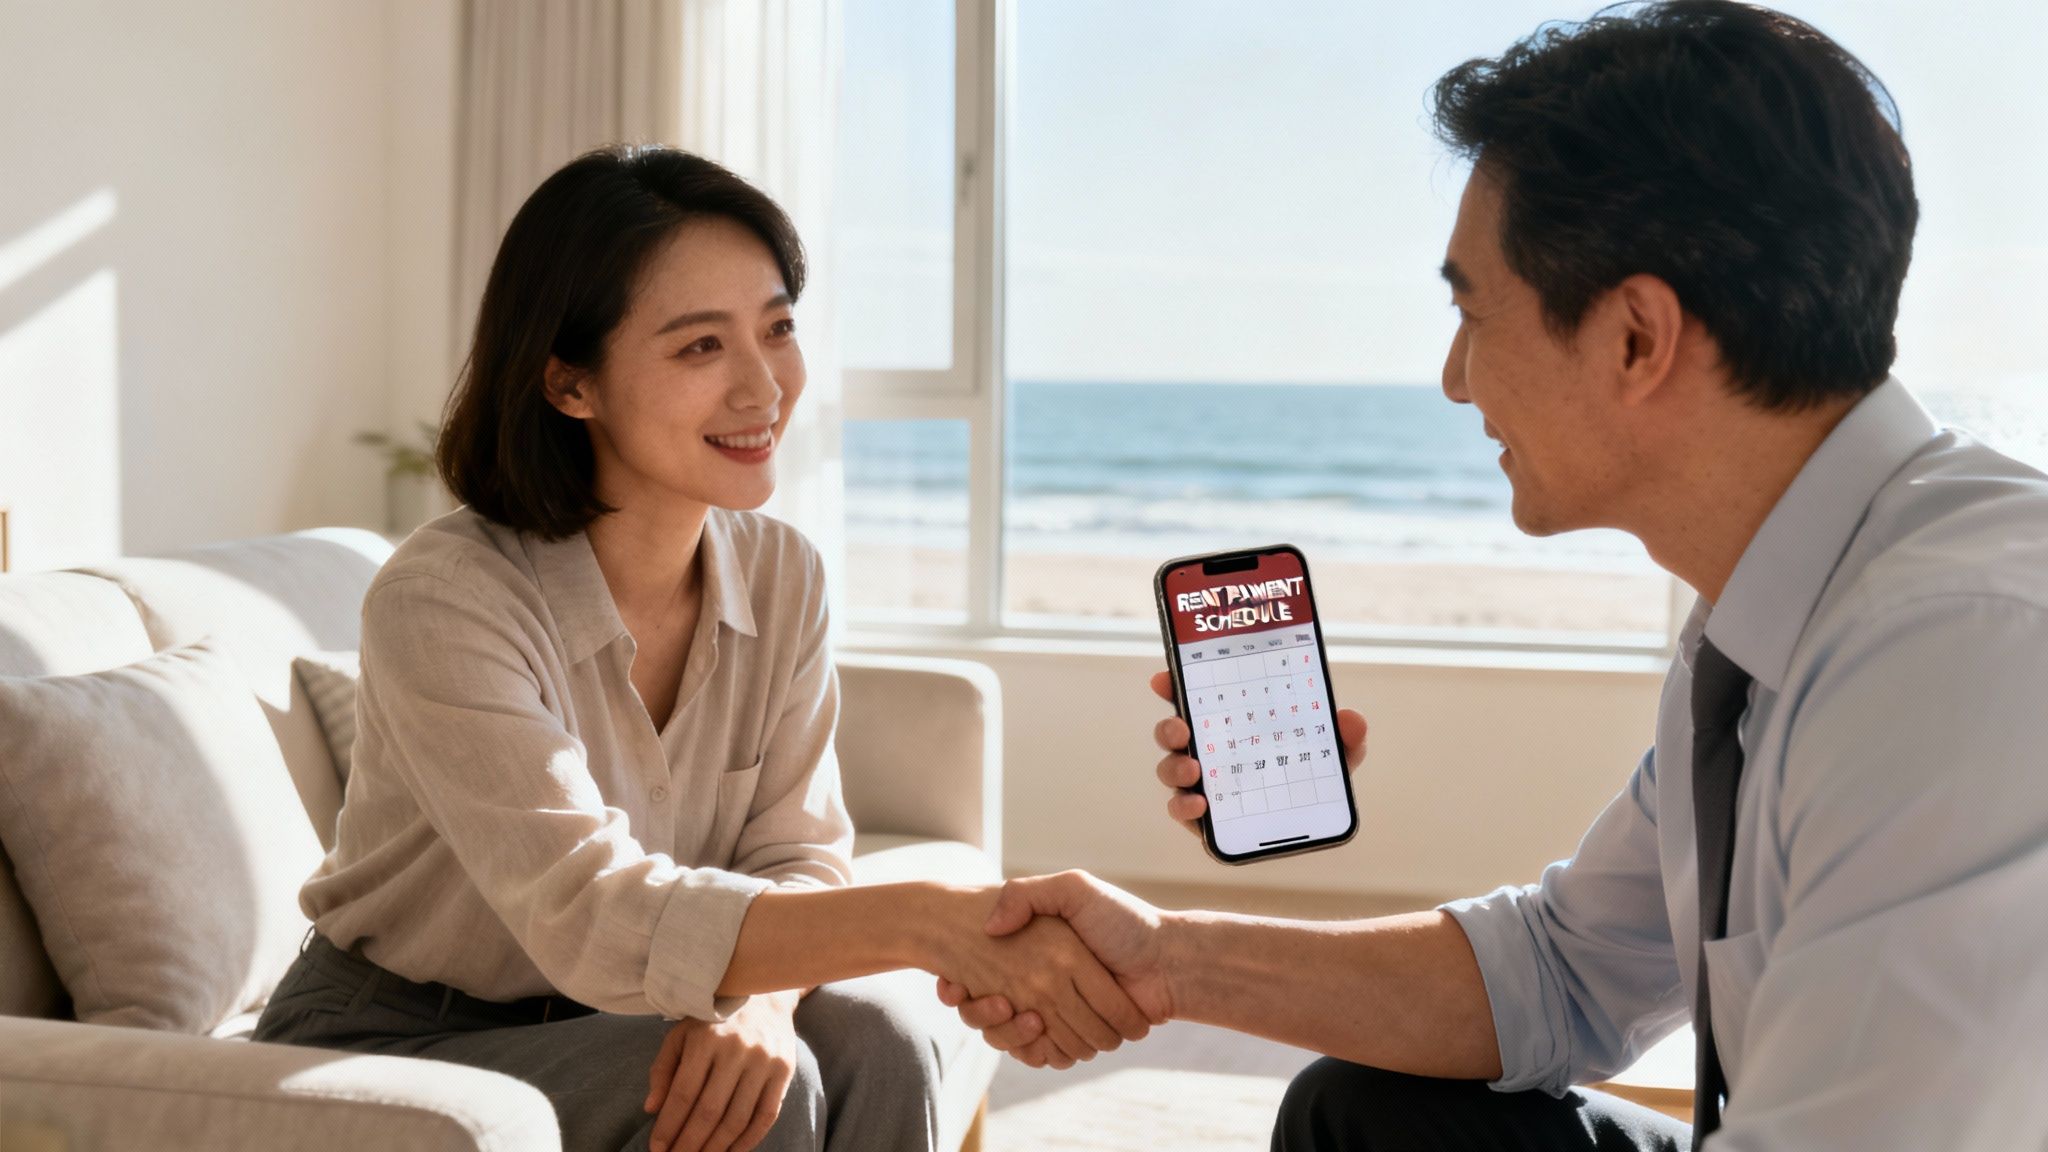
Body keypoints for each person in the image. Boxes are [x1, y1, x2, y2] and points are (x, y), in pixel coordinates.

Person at [939, 2, 2048, 1148]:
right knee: (1360, 1110)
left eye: (1471, 310)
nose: (1454, 378)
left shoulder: (1959, 653)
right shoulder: (1761, 624)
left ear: (1634, 338)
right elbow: (1562, 972)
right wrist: (1167, 961)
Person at [254, 146, 1151, 1152]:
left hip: (633, 1009)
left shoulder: (782, 575)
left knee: (882, 1039)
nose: (763, 386)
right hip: (401, 1035)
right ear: (568, 383)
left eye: (776, 329)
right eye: (698, 349)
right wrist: (924, 919)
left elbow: (796, 851)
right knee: (743, 1105)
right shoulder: (447, 598)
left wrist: (758, 1003)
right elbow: (589, 913)